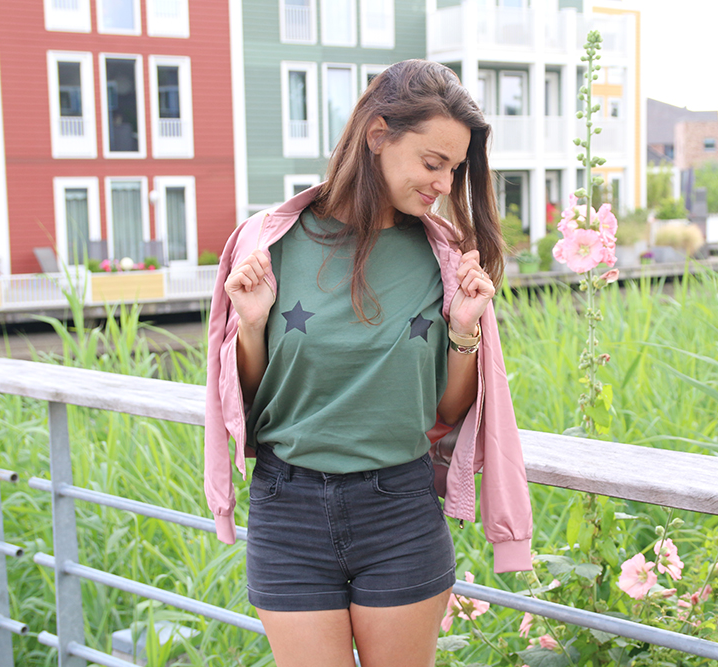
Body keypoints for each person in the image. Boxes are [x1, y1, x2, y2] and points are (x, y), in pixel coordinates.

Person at [203, 59, 532, 667]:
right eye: (433, 163)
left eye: (454, 169)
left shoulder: (444, 256)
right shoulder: (268, 241)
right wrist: (250, 324)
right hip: (288, 510)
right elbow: (245, 402)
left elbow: (447, 409)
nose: (444, 184)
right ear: (379, 134)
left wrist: (464, 331)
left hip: (399, 511)